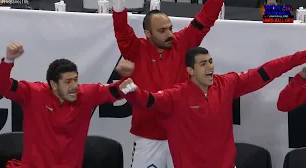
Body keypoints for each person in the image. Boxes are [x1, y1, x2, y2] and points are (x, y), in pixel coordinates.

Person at [117, 47, 306, 168]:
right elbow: (149, 101)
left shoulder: (227, 84)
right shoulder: (176, 95)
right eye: (203, 63)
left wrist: (300, 57)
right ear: (190, 71)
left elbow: (265, 72)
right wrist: (132, 91)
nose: (210, 67)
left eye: (210, 61)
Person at [112, 0, 227, 166]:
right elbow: (121, 30)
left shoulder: (183, 43)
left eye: (170, 28)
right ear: (148, 34)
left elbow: (205, 20)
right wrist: (118, 1)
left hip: (182, 136)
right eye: (162, 31)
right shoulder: (135, 49)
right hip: (147, 138)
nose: (170, 34)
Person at [0, 42, 132, 168]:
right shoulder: (33, 93)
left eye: (76, 80)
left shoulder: (87, 94)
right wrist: (8, 60)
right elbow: (0, 86)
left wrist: (128, 77)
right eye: (68, 81)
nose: (74, 86)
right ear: (53, 84)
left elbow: (119, 90)